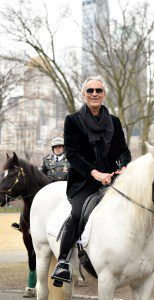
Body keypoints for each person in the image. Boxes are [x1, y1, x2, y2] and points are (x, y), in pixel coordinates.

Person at [51, 75, 132, 286]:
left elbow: (123, 150)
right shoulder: (72, 120)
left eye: (98, 90)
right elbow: (72, 154)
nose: (94, 94)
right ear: (83, 95)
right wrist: (95, 173)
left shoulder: (114, 121)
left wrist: (123, 166)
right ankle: (63, 262)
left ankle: (145, 258)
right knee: (77, 213)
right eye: (90, 91)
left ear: (104, 95)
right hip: (83, 183)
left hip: (112, 180)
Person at [11, 137, 68, 231]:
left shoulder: (69, 159)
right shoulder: (47, 160)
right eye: (55, 147)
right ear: (52, 148)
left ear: (63, 148)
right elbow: (41, 174)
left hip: (64, 188)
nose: (58, 149)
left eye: (60, 146)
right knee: (31, 202)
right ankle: (23, 224)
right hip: (49, 189)